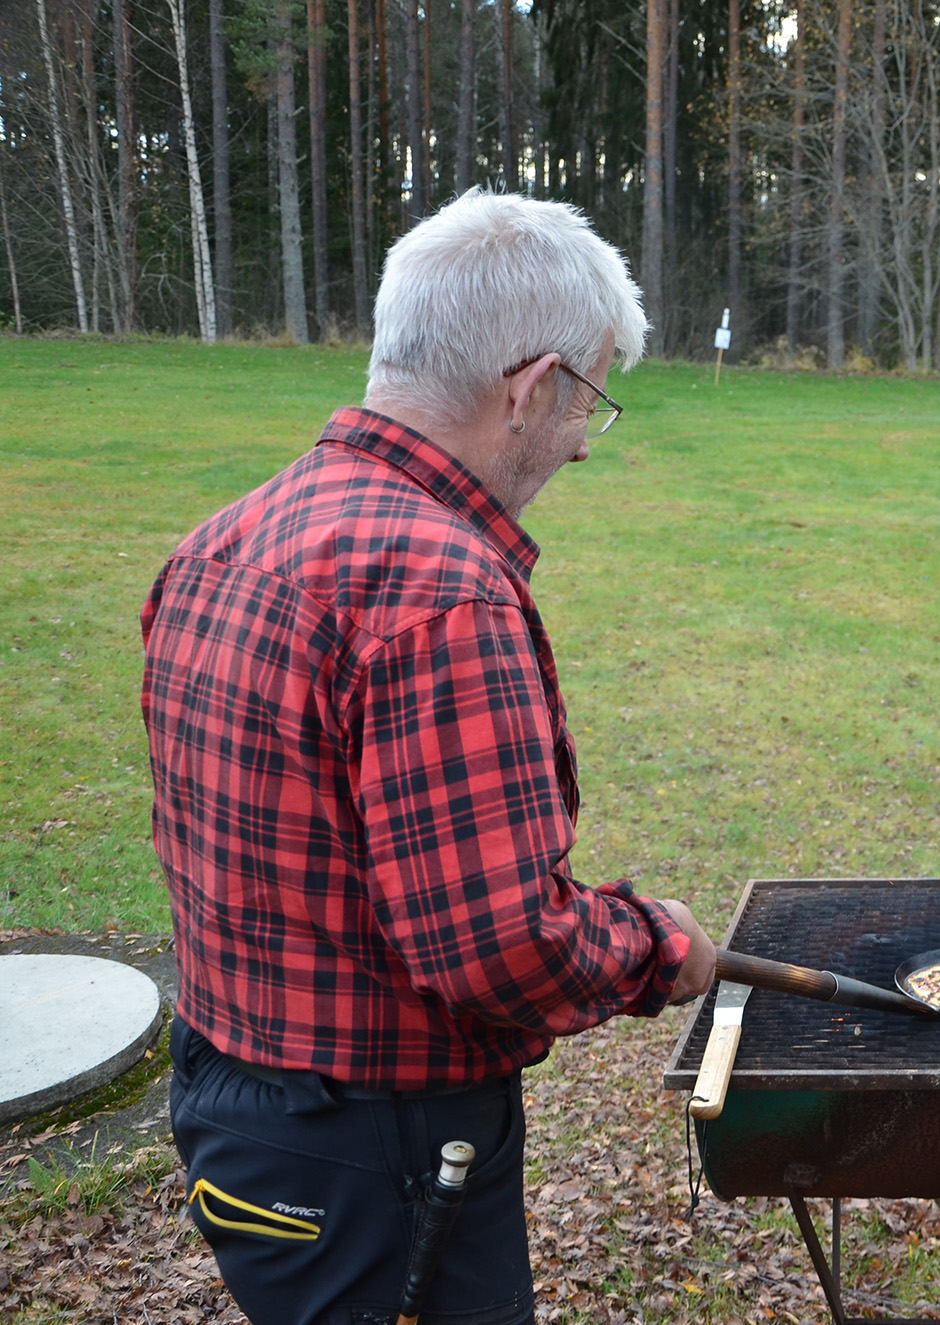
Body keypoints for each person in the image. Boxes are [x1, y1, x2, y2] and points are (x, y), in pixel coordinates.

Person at [142, 190, 717, 1325]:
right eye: (589, 401)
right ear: (532, 387)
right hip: (379, 1148)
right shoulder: (443, 597)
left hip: (231, 1104)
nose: (581, 442)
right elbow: (500, 946)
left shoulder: (220, 540)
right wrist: (657, 946)